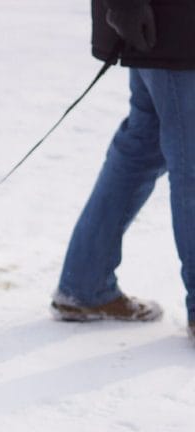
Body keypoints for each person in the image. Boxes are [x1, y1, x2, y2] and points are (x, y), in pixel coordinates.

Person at [51, 0, 195, 343]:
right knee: (188, 157)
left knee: (144, 145)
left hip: (167, 25)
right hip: (172, 25)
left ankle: (85, 283)